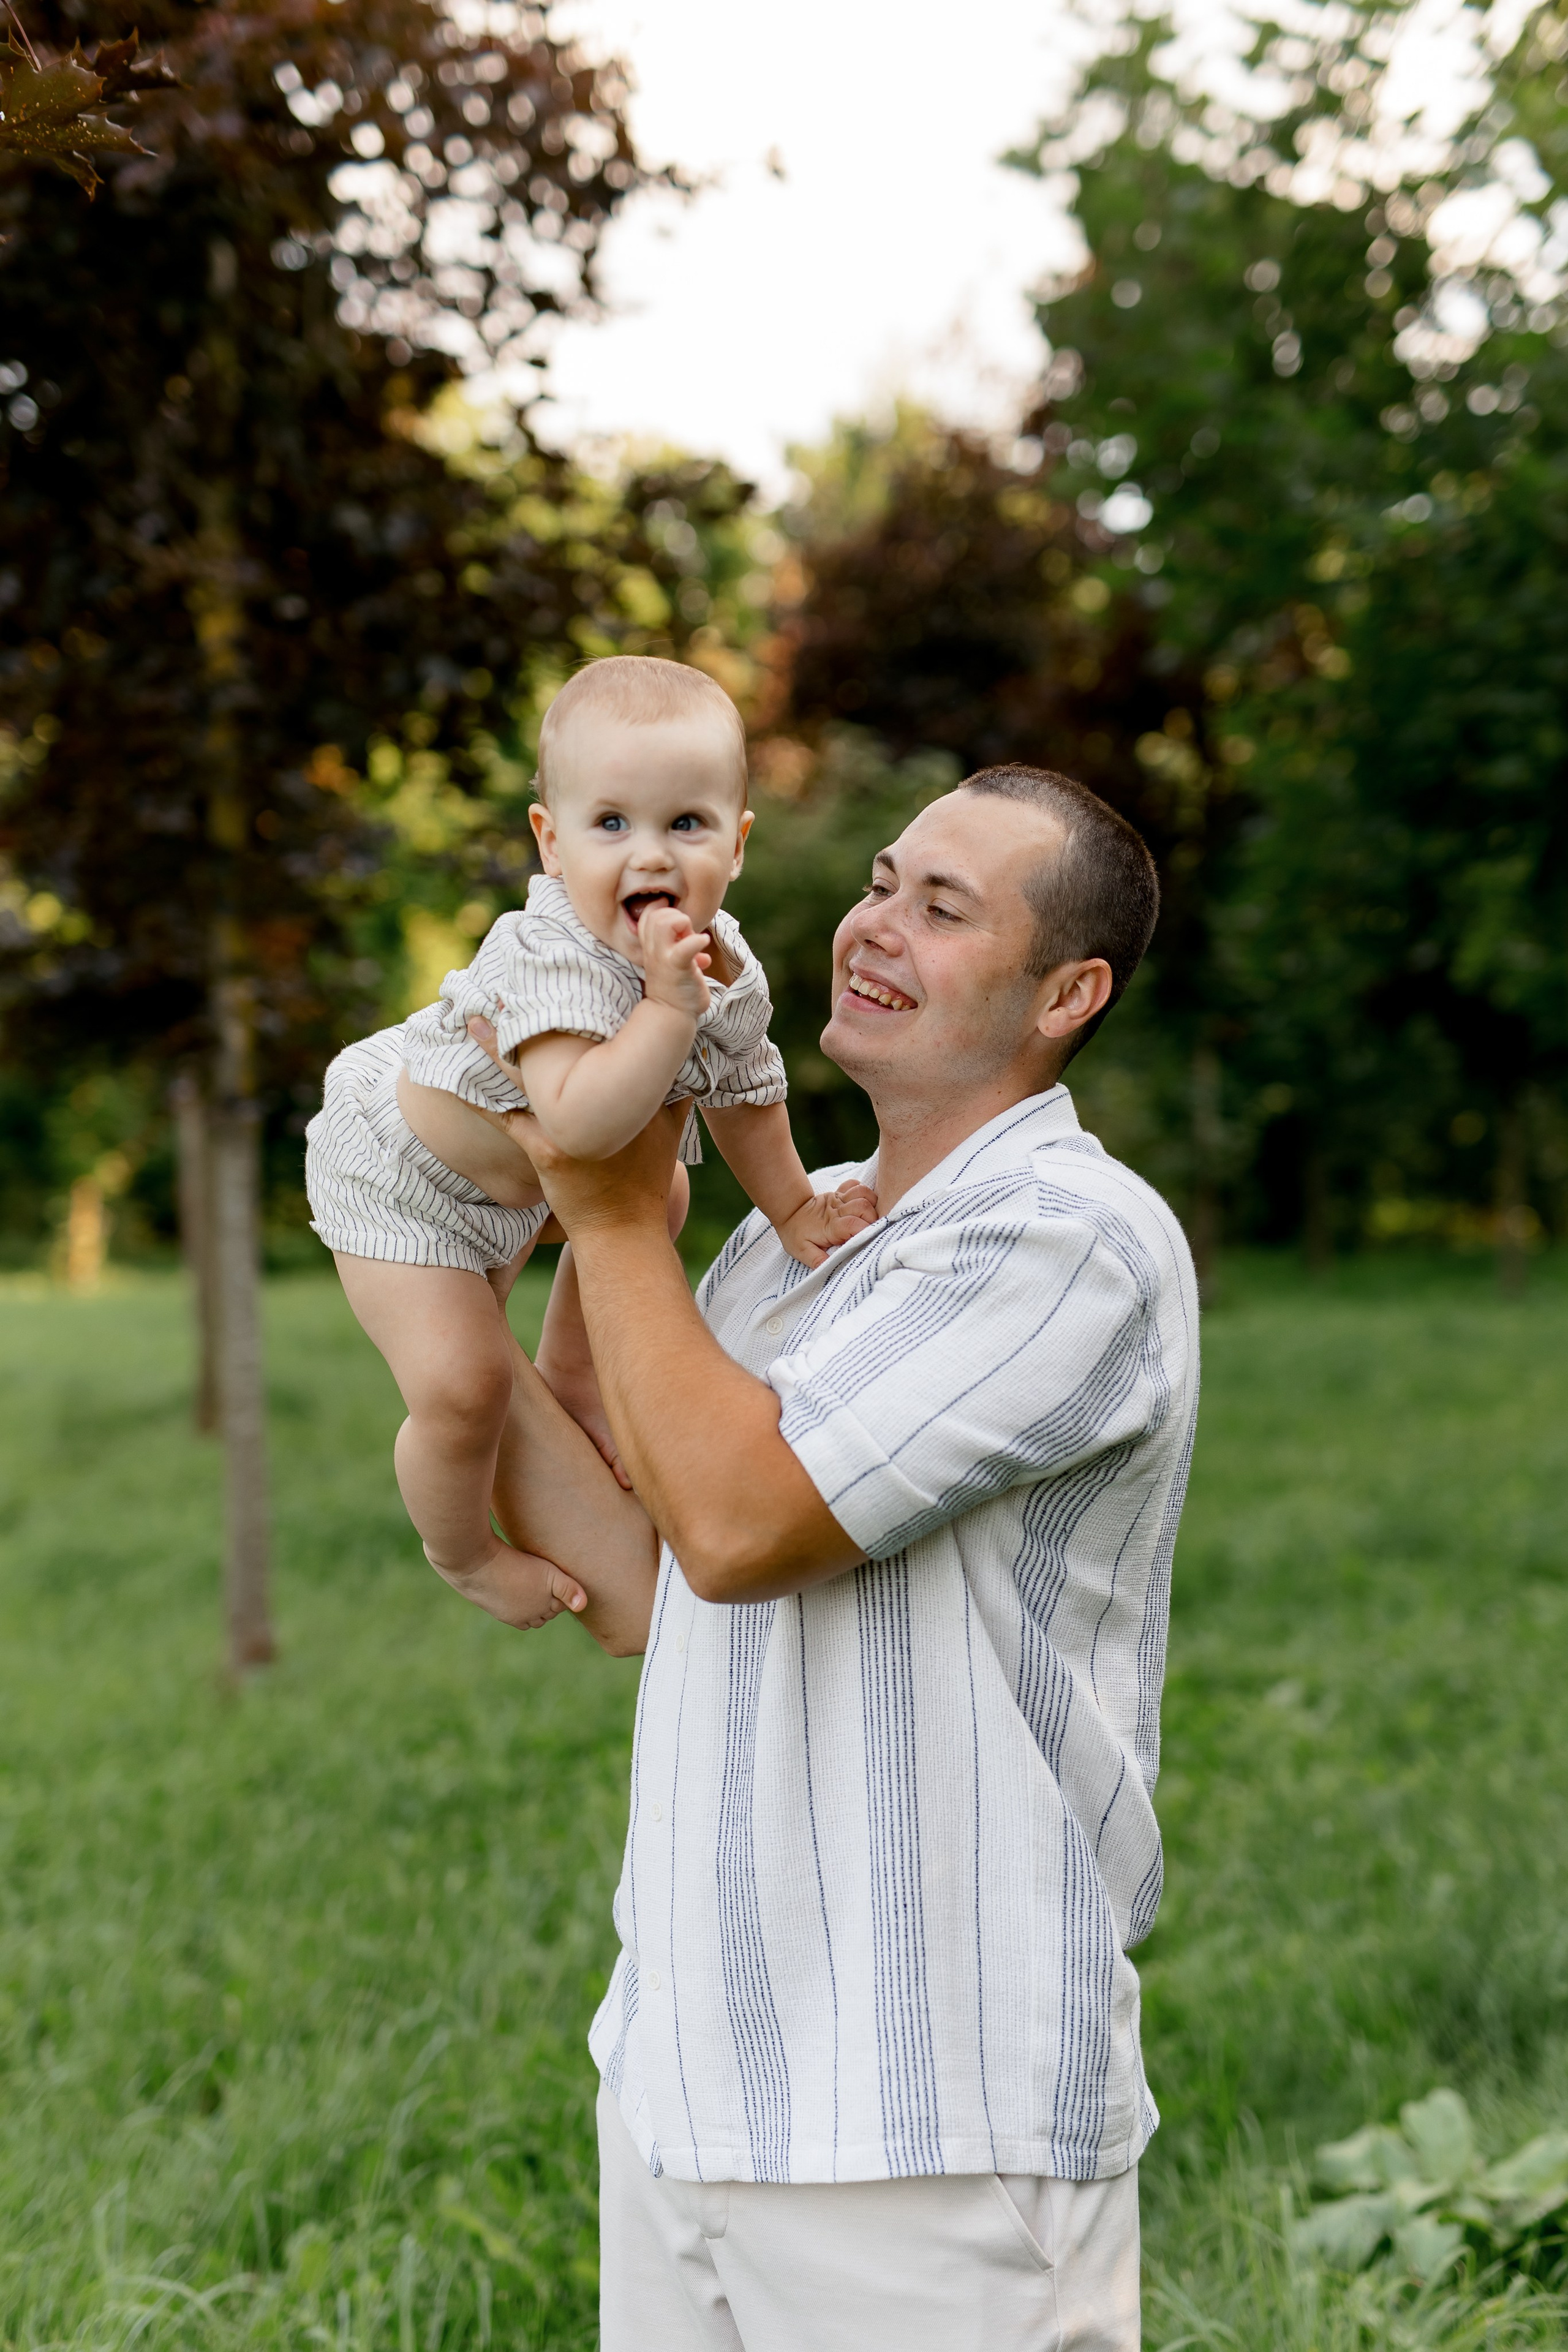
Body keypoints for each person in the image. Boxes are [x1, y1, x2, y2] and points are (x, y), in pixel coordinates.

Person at [435, 763, 1200, 2351]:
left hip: (928, 2129)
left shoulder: (1068, 1238)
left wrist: (617, 1207)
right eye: (878, 879)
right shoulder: (797, 1237)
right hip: (685, 2081)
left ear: (1070, 991)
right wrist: (438, 1269)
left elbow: (738, 1529)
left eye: (943, 908)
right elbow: (639, 1573)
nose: (872, 925)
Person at [303, 657, 874, 1624]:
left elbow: (746, 1092)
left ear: (735, 846)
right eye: (611, 824)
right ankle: (464, 1556)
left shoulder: (722, 967)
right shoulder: (547, 951)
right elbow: (574, 1126)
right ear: (551, 843)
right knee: (464, 1385)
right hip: (403, 1180)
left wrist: (792, 1208)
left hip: (517, 1191)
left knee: (672, 1195)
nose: (650, 856)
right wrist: (665, 1009)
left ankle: (576, 1370)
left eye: (684, 824)